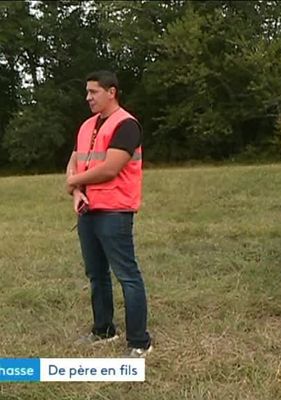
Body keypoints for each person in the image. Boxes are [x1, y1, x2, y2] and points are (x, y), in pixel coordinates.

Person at [65, 70, 152, 358]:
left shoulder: (126, 125)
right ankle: (103, 330)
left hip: (114, 211)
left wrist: (74, 182)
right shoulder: (87, 126)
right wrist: (77, 192)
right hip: (87, 210)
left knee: (127, 275)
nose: (88, 97)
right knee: (96, 274)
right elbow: (74, 163)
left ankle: (139, 342)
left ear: (111, 92)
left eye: (94, 92)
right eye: (87, 92)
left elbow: (110, 168)